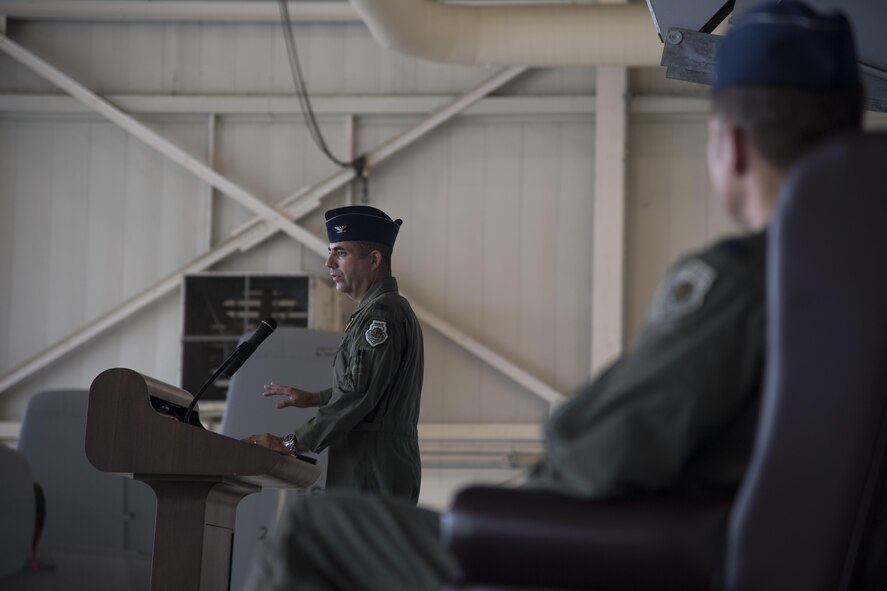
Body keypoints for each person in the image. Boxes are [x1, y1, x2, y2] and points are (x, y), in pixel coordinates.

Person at [244, 2, 864, 589]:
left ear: (729, 148)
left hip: (616, 556)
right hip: (711, 545)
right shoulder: (848, 288)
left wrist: (566, 422)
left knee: (311, 530)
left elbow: (602, 448)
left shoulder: (744, 280)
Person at [245, 205, 425, 503]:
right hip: (374, 467)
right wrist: (315, 398)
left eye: (340, 253)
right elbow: (370, 387)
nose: (328, 262)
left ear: (374, 259)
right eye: (330, 252)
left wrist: (289, 443)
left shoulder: (382, 316)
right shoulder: (379, 311)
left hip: (372, 471)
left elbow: (357, 396)